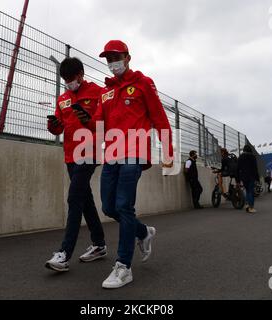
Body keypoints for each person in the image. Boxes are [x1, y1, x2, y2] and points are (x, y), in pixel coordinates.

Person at [75, 40, 174, 289]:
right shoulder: (106, 92)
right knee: (109, 207)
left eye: (116, 57)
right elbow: (98, 124)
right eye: (108, 59)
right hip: (112, 155)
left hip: (135, 153)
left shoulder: (143, 83)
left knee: (124, 206)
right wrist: (83, 120)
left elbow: (160, 118)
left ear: (128, 57)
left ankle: (123, 267)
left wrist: (168, 152)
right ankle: (143, 232)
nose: (112, 63)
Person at [44, 57, 107, 272]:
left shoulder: (98, 92)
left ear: (81, 74)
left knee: (74, 198)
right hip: (70, 155)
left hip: (89, 152)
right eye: (65, 79)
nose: (69, 82)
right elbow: (59, 129)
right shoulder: (62, 98)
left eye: (72, 78)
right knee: (85, 199)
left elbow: (105, 123)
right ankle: (99, 244)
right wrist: (53, 126)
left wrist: (89, 119)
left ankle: (64, 253)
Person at [237, 145, 260, 214]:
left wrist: (238, 179)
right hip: (251, 176)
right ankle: (251, 207)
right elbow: (255, 168)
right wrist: (257, 178)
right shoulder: (252, 156)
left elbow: (238, 168)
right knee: (251, 191)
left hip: (244, 177)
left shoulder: (240, 157)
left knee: (247, 190)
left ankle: (247, 204)